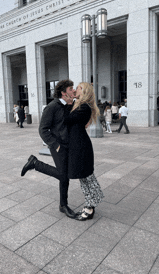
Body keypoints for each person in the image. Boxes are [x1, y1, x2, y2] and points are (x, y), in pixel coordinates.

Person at [21, 80, 76, 219]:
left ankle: (35, 163)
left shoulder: (70, 105)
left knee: (65, 175)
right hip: (58, 146)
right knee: (64, 176)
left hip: (69, 145)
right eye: (71, 89)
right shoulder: (52, 107)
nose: (73, 91)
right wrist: (55, 145)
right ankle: (63, 205)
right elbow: (43, 129)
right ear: (64, 93)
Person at [63, 82, 104, 221]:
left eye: (78, 88)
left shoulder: (84, 107)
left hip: (81, 147)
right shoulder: (79, 105)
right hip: (78, 145)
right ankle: (90, 204)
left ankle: (90, 207)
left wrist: (68, 102)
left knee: (87, 177)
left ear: (84, 91)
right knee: (84, 177)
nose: (75, 90)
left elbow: (67, 119)